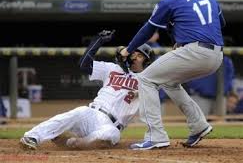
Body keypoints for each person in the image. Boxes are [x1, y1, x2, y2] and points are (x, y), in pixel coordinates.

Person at [119, 0, 225, 150]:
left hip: (196, 51)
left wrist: (128, 49)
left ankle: (156, 136)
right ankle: (198, 124)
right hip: (217, 55)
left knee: (146, 80)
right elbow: (220, 23)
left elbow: (148, 30)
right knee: (168, 82)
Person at [20, 30, 155, 150]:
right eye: (134, 54)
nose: (135, 57)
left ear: (147, 62)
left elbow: (161, 87)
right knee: (74, 113)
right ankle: (32, 137)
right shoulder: (112, 68)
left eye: (140, 56)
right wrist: (98, 41)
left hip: (112, 124)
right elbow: (84, 65)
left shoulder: (147, 80)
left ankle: (73, 143)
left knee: (112, 134)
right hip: (91, 113)